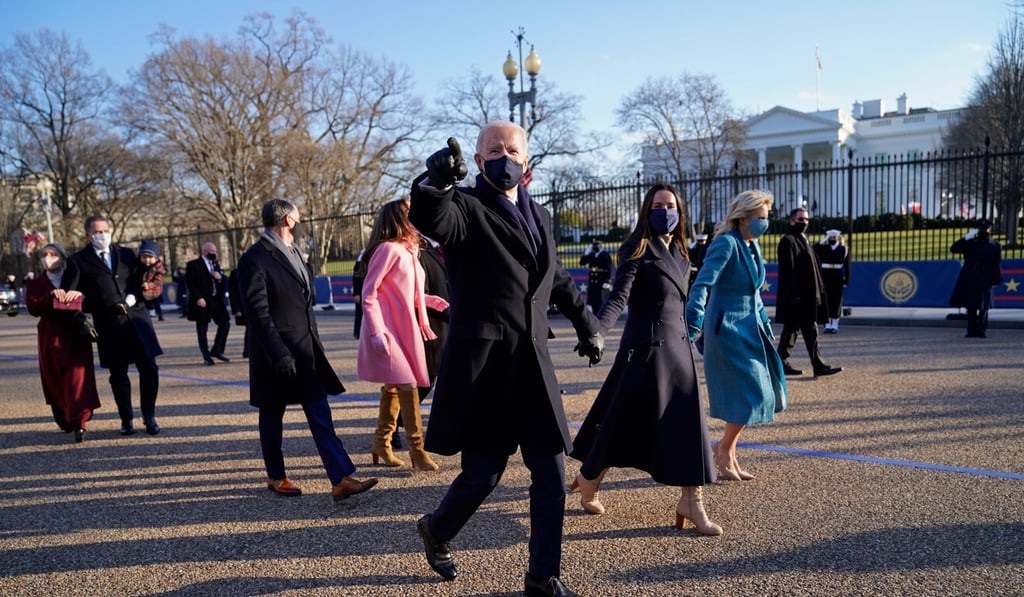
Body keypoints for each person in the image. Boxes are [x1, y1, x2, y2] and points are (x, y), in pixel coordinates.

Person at [408, 122, 603, 597]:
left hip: (534, 367)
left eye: (513, 150)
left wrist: (588, 325)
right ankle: (436, 529)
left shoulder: (540, 215)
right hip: (489, 369)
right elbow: (434, 218)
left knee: (552, 477)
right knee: (483, 475)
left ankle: (542, 579)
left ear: (527, 162)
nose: (504, 157)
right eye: (494, 150)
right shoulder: (466, 207)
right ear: (477, 161)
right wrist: (434, 183)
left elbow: (556, 279)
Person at [570, 183, 721, 536]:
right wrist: (598, 331)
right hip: (646, 350)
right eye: (657, 205)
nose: (664, 211)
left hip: (679, 349)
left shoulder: (683, 254)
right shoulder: (637, 248)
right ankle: (589, 477)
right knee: (621, 422)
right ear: (647, 210)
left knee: (688, 424)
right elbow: (618, 298)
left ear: (679, 212)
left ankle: (692, 500)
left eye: (670, 205)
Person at [236, 198, 377, 501]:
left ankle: (340, 478)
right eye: (298, 217)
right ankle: (276, 476)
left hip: (305, 348)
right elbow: (257, 313)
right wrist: (277, 352)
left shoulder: (295, 252)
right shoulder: (255, 257)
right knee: (272, 415)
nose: (300, 221)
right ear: (287, 219)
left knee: (319, 410)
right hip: (276, 353)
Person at [686, 190, 788, 482]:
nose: (764, 224)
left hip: (751, 329)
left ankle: (725, 450)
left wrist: (765, 323)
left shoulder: (750, 245)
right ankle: (724, 449)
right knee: (750, 392)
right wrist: (694, 321)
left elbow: (754, 291)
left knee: (760, 391)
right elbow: (702, 284)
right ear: (743, 217)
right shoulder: (726, 244)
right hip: (727, 330)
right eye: (761, 218)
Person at [357, 198, 449, 471]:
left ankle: (381, 444)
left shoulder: (409, 250)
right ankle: (417, 450)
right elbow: (369, 294)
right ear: (399, 218)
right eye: (411, 212)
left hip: (404, 327)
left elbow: (405, 290)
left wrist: (428, 300)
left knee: (395, 387)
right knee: (408, 386)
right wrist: (376, 331)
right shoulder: (388, 249)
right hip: (388, 329)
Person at [70, 215, 163, 436]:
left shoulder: (127, 254)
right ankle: (126, 419)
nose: (102, 235)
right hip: (109, 324)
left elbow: (143, 278)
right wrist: (87, 314)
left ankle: (149, 416)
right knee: (118, 375)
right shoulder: (78, 261)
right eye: (97, 232)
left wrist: (134, 296)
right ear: (88, 235)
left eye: (105, 230)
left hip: (137, 319)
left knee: (149, 369)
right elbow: (74, 295)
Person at [25, 243, 101, 443]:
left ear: (63, 257)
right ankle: (64, 417)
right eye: (44, 255)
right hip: (50, 336)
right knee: (55, 378)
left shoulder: (76, 278)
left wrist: (81, 297)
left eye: (53, 254)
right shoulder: (36, 283)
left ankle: (80, 422)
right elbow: (33, 307)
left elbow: (94, 300)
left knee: (78, 379)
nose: (48, 258)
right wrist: (49, 296)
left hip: (74, 333)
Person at [774, 208, 842, 377]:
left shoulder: (802, 239)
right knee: (804, 330)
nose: (804, 222)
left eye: (806, 219)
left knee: (795, 330)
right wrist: (794, 296)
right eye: (800, 219)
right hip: (798, 298)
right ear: (791, 221)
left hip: (808, 296)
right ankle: (814, 365)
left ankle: (783, 362)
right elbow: (788, 272)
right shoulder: (788, 241)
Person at [950, 219, 1003, 338]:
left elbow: (996, 263)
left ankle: (980, 330)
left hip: (983, 277)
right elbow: (954, 248)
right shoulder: (971, 243)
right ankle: (972, 330)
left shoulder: (995, 245)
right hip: (971, 276)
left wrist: (997, 278)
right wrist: (968, 236)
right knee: (972, 305)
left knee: (983, 306)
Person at [186, 242, 231, 366]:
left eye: (215, 252)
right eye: (212, 252)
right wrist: (198, 297)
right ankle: (206, 356)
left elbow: (222, 280)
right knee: (202, 329)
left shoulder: (216, 264)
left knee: (225, 324)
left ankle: (217, 350)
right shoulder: (193, 265)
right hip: (202, 302)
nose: (214, 254)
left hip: (215, 300)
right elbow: (191, 283)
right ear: (205, 251)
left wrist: (219, 277)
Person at [813, 229, 850, 334]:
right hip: (825, 276)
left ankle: (835, 324)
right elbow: (813, 249)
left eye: (834, 237)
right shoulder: (824, 248)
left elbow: (847, 267)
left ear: (838, 238)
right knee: (826, 300)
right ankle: (827, 324)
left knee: (836, 301)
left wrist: (846, 279)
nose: (832, 239)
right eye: (830, 237)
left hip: (837, 276)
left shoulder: (844, 249)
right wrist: (823, 240)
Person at [579, 240, 613, 313]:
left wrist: (607, 280)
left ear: (601, 246)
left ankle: (601, 315)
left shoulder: (605, 255)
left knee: (600, 300)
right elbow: (582, 263)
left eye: (597, 245)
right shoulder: (591, 255)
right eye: (594, 246)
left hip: (601, 279)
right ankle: (595, 314)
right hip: (592, 281)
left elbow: (609, 268)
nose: (595, 247)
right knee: (593, 301)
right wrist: (586, 253)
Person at [138, 240, 166, 322]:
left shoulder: (159, 268)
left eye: (150, 257)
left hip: (154, 290)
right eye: (144, 257)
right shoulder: (139, 266)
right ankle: (146, 315)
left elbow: (158, 281)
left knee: (156, 303)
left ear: (156, 258)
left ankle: (160, 315)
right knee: (145, 304)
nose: (147, 260)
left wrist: (149, 285)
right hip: (143, 290)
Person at [351, 249, 366, 339]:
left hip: (365, 291)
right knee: (359, 313)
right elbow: (355, 280)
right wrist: (356, 293)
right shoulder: (358, 264)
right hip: (360, 292)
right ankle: (358, 332)